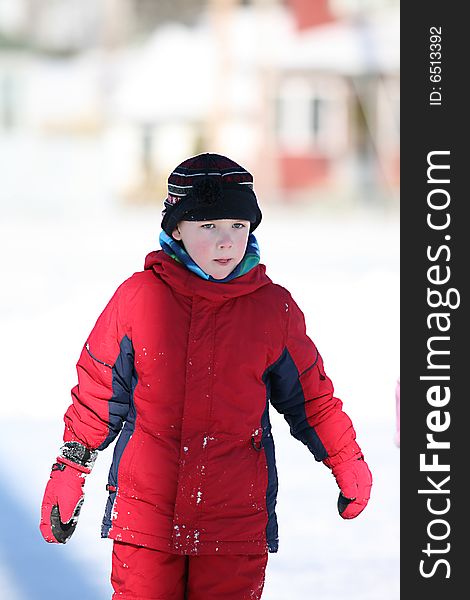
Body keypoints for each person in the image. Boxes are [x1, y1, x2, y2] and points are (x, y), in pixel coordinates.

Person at [39, 153, 373, 599]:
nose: (225, 243)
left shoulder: (272, 308)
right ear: (176, 228)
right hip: (146, 517)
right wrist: (70, 469)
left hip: (234, 521)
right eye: (208, 227)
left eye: (238, 226)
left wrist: (345, 459)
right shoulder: (138, 298)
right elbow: (98, 393)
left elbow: (310, 399)